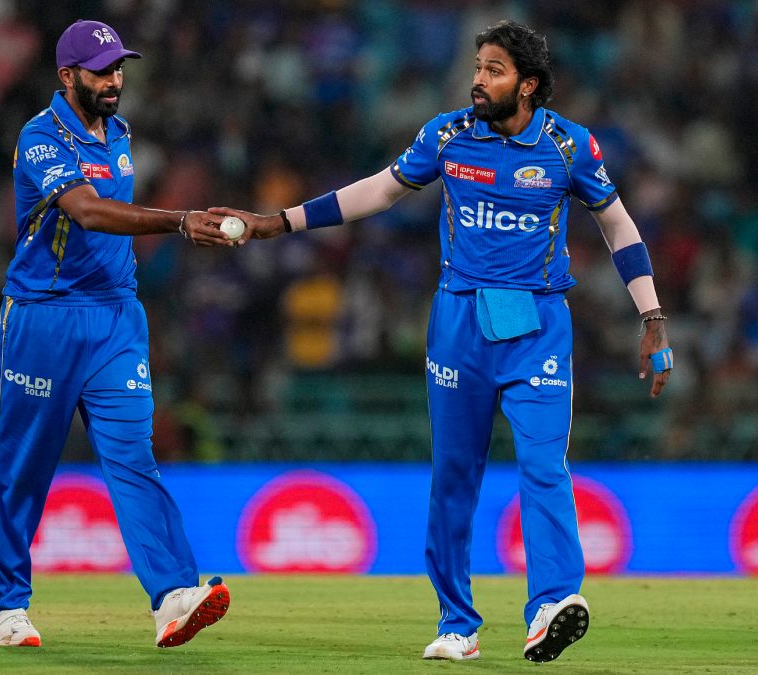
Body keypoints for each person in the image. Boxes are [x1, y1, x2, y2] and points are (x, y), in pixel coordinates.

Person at [211, 20, 672, 663]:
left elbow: (619, 227)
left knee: (544, 466)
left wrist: (652, 316)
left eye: (493, 71)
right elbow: (380, 190)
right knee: (454, 476)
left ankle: (552, 605)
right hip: (459, 321)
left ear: (528, 85)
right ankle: (458, 623)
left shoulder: (569, 145)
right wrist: (280, 223)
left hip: (538, 323)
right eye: (477, 67)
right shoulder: (448, 134)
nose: (478, 80)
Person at [0, 19, 233, 649]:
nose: (114, 80)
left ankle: (173, 595)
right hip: (45, 315)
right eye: (101, 71)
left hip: (116, 317)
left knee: (133, 457)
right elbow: (88, 212)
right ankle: (4, 608)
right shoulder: (40, 136)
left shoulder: (119, 133)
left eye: (119, 68)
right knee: (24, 466)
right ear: (67, 76)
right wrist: (180, 221)